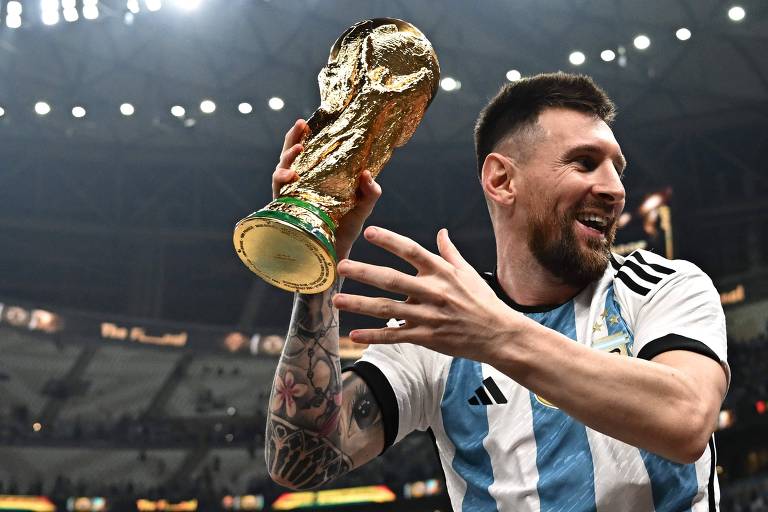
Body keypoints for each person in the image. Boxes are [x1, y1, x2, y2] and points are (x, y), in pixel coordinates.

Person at [265, 72, 729, 511]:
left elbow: (685, 420)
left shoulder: (664, 287)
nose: (614, 189)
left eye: (617, 168)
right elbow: (300, 459)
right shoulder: (438, 331)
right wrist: (318, 271)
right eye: (585, 163)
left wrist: (496, 335)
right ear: (502, 180)